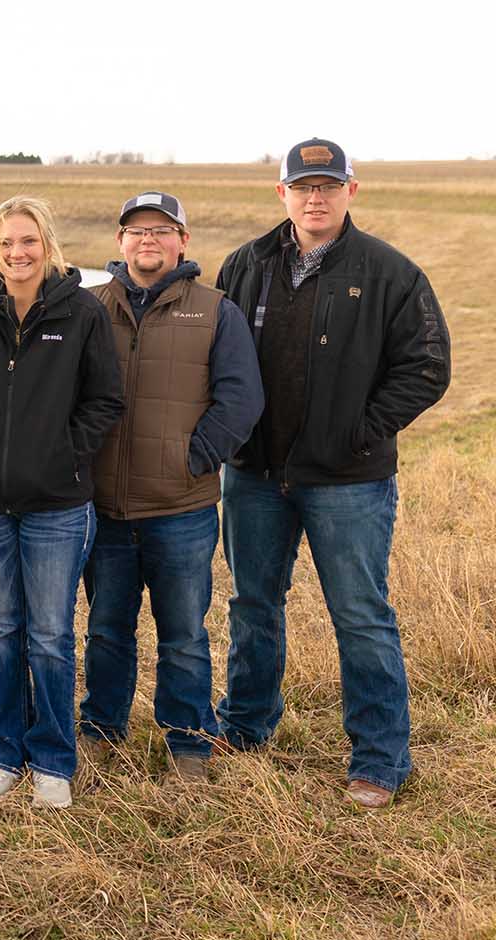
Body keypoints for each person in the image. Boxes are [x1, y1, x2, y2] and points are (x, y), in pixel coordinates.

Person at [214, 139, 450, 809]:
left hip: (348, 481)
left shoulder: (388, 273)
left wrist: (360, 431)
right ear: (281, 194)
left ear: (352, 190)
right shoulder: (246, 265)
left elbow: (427, 366)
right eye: (302, 185)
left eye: (328, 184)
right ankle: (246, 727)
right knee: (253, 608)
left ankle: (380, 758)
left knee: (359, 615)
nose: (315, 196)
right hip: (257, 474)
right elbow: (217, 359)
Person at [0, 196, 125, 809]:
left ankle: (52, 760)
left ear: (48, 246)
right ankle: (2, 753)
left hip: (56, 505)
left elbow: (105, 400)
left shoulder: (81, 315)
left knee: (48, 635)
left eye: (30, 242)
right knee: (1, 632)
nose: (19, 253)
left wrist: (65, 455)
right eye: (8, 243)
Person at [81, 192, 263, 782]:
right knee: (107, 629)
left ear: (182, 240)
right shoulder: (89, 306)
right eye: (136, 231)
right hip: (104, 509)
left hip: (180, 510)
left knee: (183, 634)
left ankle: (188, 742)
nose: (147, 241)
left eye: (161, 230)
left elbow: (241, 400)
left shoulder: (215, 310)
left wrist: (194, 459)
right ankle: (101, 730)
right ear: (119, 241)